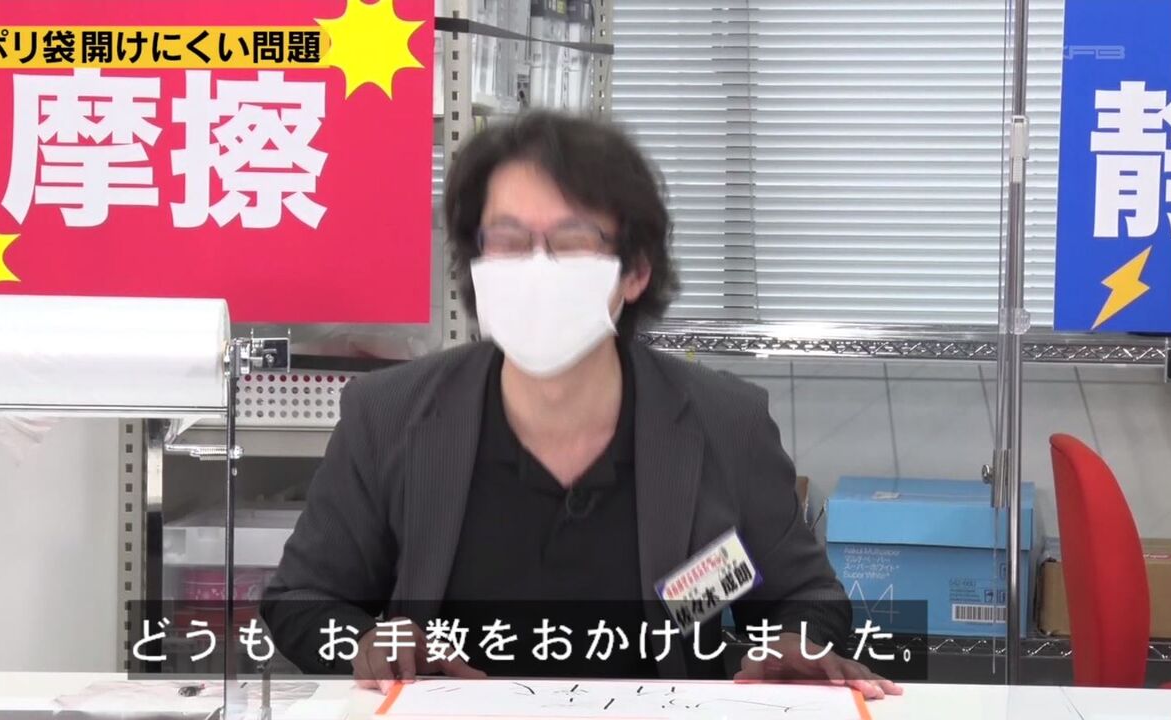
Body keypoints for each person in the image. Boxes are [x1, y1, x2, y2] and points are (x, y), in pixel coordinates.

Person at [261, 111, 900, 700]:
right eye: (508, 240)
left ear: (635, 271)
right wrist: (366, 644)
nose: (537, 268)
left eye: (571, 242)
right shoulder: (390, 415)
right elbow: (301, 600)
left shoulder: (725, 422)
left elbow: (806, 597)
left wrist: (792, 645)